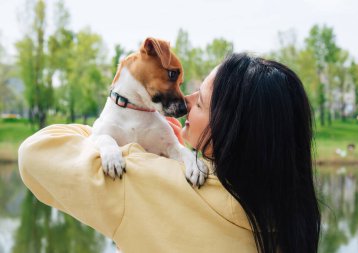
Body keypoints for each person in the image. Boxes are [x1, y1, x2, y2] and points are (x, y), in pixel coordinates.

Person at [18, 53, 321, 253]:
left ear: (229, 127)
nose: (186, 102)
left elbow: (35, 152)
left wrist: (117, 138)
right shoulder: (289, 214)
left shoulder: (141, 179)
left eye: (200, 102)